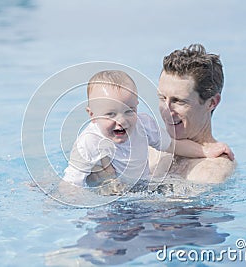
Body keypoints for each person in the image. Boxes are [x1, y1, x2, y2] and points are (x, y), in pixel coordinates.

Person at [63, 70, 234, 189]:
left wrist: (205, 150)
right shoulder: (88, 143)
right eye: (110, 114)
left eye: (129, 111)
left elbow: (172, 145)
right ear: (92, 115)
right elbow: (71, 184)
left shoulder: (143, 126)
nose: (121, 121)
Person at [149, 44, 236, 183]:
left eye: (178, 101)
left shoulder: (212, 169)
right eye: (162, 98)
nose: (166, 110)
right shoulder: (148, 147)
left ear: (212, 102)